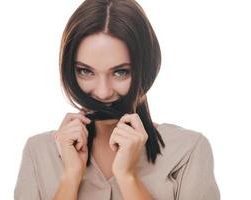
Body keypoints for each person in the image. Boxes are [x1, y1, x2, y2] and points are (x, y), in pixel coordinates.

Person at [14, 0, 220, 199]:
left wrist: (128, 178)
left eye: (120, 72)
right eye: (85, 71)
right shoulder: (38, 152)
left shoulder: (188, 150)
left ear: (145, 69)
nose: (103, 93)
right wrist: (70, 178)